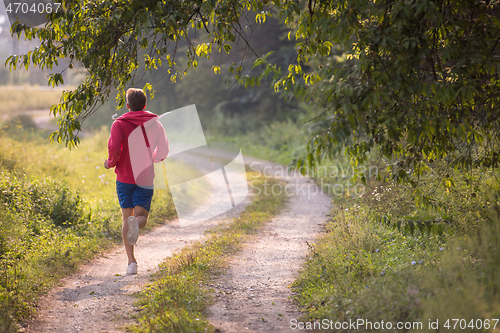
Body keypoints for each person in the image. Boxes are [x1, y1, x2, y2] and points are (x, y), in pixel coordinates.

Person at [104, 88, 169, 275]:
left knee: (126, 218)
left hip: (124, 178)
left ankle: (131, 263)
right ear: (145, 105)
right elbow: (163, 150)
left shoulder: (119, 124)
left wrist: (110, 163)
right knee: (141, 218)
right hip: (145, 177)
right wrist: (154, 158)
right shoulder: (156, 124)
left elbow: (114, 148)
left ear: (127, 105)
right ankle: (136, 223)